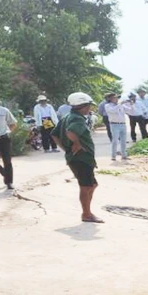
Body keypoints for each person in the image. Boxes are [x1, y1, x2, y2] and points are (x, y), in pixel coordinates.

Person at [52, 92, 103, 224]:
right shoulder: (77, 119)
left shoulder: (67, 117)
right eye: (88, 106)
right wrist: (76, 143)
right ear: (83, 106)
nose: (90, 109)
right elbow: (70, 132)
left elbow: (54, 134)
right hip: (81, 159)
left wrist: (65, 149)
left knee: (92, 184)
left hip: (77, 158)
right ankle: (86, 214)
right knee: (86, 187)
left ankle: (87, 212)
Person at [103, 92, 134, 161]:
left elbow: (130, 112)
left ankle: (124, 155)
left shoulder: (121, 105)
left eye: (117, 97)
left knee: (123, 140)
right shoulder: (108, 105)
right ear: (110, 99)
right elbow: (113, 111)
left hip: (122, 124)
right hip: (114, 124)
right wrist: (120, 104)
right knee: (115, 141)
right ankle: (113, 156)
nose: (116, 99)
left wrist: (131, 104)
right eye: (114, 98)